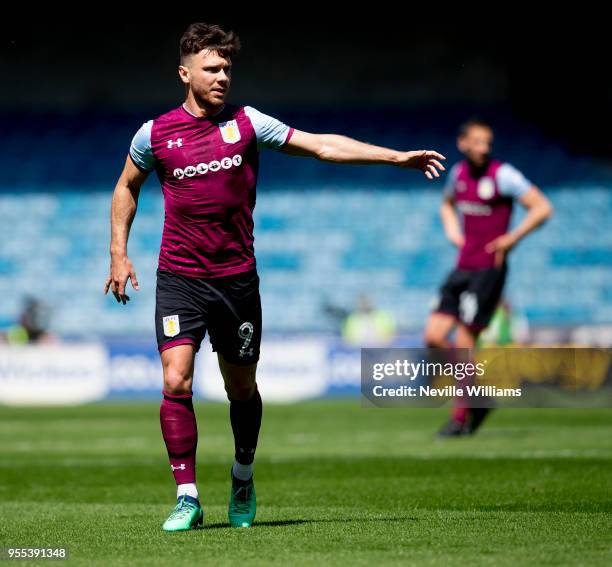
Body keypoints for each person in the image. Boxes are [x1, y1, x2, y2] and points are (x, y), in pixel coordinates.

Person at [104, 22, 446, 532]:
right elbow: (126, 187)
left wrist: (396, 157)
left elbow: (322, 146)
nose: (222, 77)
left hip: (237, 280)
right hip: (180, 277)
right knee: (176, 379)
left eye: (227, 69)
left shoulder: (248, 123)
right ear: (185, 73)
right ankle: (187, 496)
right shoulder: (154, 134)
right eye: (211, 68)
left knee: (240, 388)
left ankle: (242, 475)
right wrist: (118, 253)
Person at [424, 118, 553, 436]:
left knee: (465, 340)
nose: (483, 148)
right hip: (463, 266)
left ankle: (460, 417)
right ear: (462, 144)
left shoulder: (504, 175)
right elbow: (446, 205)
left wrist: (512, 238)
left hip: (488, 270)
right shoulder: (457, 174)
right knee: (433, 336)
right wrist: (454, 233)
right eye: (478, 142)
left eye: (488, 143)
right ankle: (478, 398)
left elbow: (542, 208)